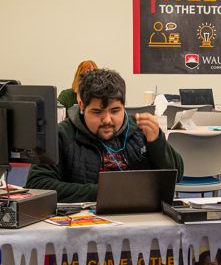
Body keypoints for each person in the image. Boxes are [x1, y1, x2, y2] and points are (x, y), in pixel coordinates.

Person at [26, 68, 183, 202]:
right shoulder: (61, 135)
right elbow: (38, 184)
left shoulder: (139, 131)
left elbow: (176, 175)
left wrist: (157, 143)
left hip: (142, 218)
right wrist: (104, 192)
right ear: (81, 105)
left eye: (115, 111)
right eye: (97, 112)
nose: (107, 120)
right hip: (85, 225)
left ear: (124, 105)